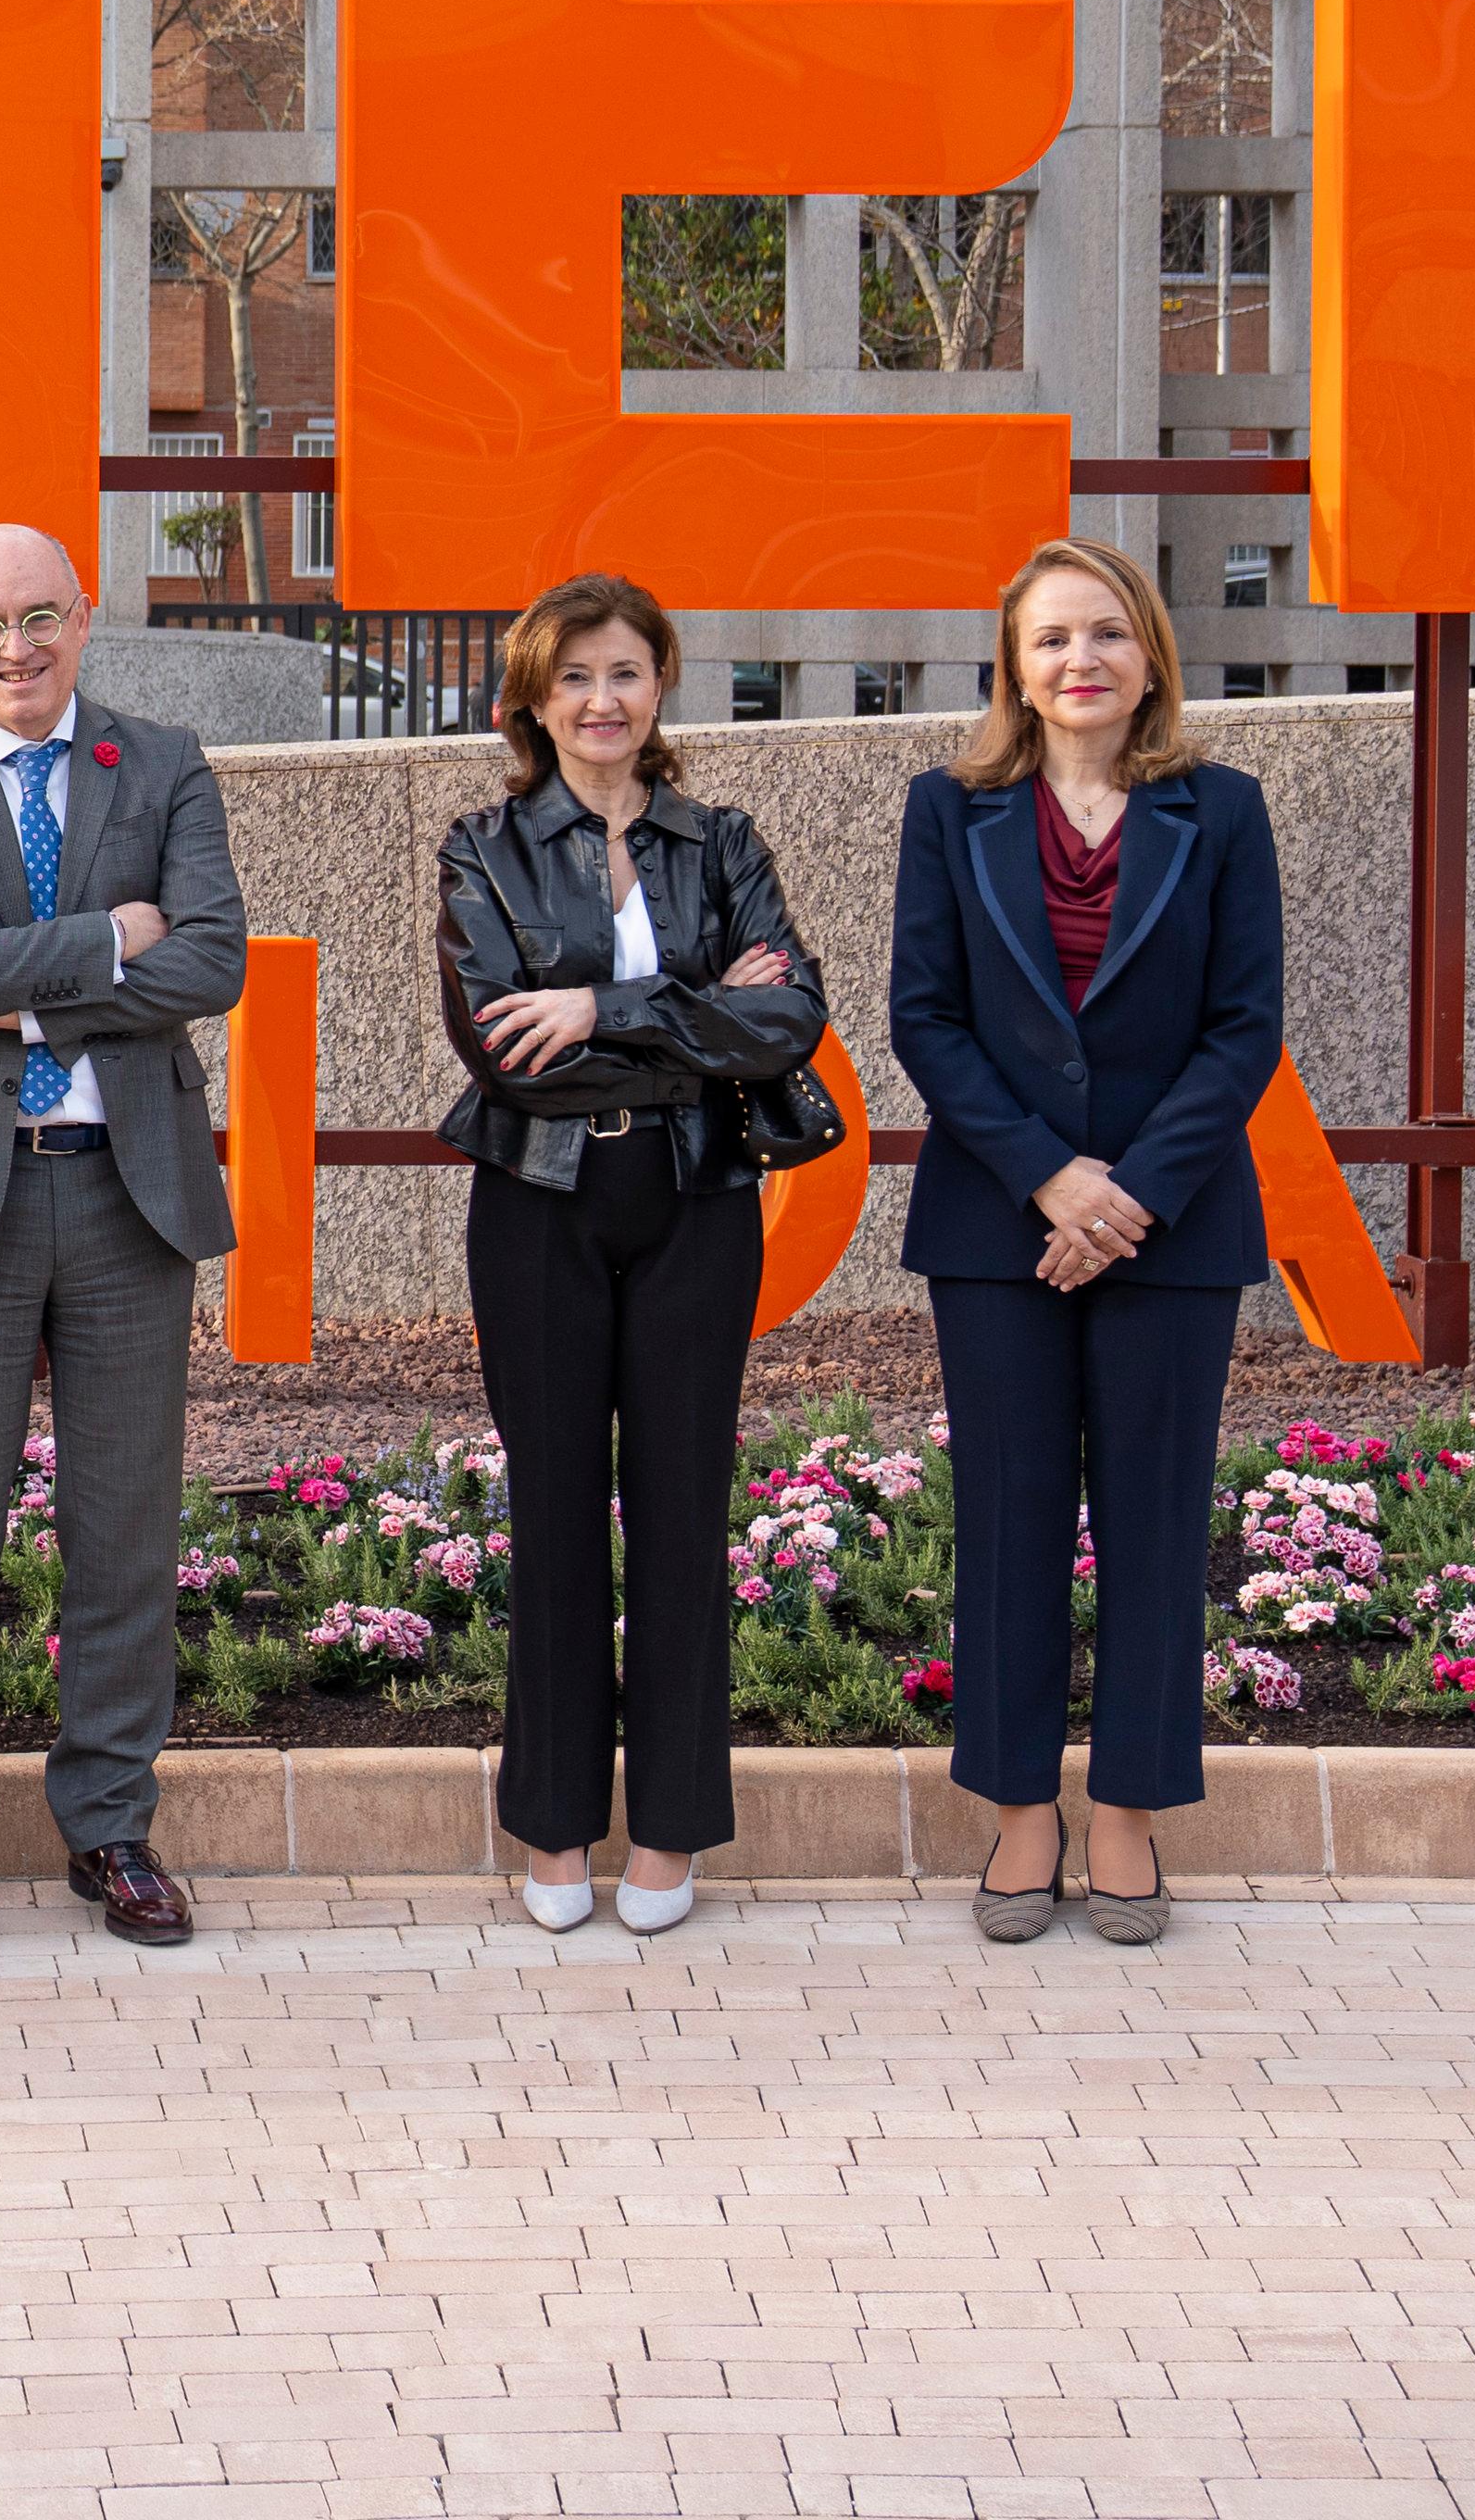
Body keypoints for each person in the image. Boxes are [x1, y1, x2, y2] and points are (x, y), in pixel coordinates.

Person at [0, 521, 247, 1957]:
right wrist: (108, 940)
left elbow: (215, 960)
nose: (15, 649)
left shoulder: (167, 762)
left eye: (39, 618)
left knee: (122, 1535)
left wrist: (18, 988)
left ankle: (112, 1829)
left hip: (125, 1193)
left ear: (86, 616)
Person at [890, 536, 1285, 1949]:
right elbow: (923, 1019)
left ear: (1149, 655)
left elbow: (1244, 1028)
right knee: (1005, 1530)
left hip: (1172, 1233)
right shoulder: (950, 812)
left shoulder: (1221, 812)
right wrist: (1055, 1182)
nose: (1081, 662)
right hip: (999, 1227)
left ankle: (1127, 1816)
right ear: (1015, 665)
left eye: (1106, 635)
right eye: (1053, 639)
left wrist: (1128, 1197)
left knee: (1154, 1526)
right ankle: (1019, 1816)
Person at [434, 573, 827, 1937]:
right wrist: (700, 1010)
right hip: (540, 1202)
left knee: (680, 1514)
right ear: (534, 703)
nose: (603, 701)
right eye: (575, 678)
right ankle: (551, 1826)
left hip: (697, 1198)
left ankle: (668, 1827)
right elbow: (504, 1051)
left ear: (662, 687)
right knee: (552, 1520)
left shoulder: (721, 840)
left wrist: (603, 1001)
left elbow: (790, 1025)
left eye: (627, 673)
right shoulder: (480, 847)